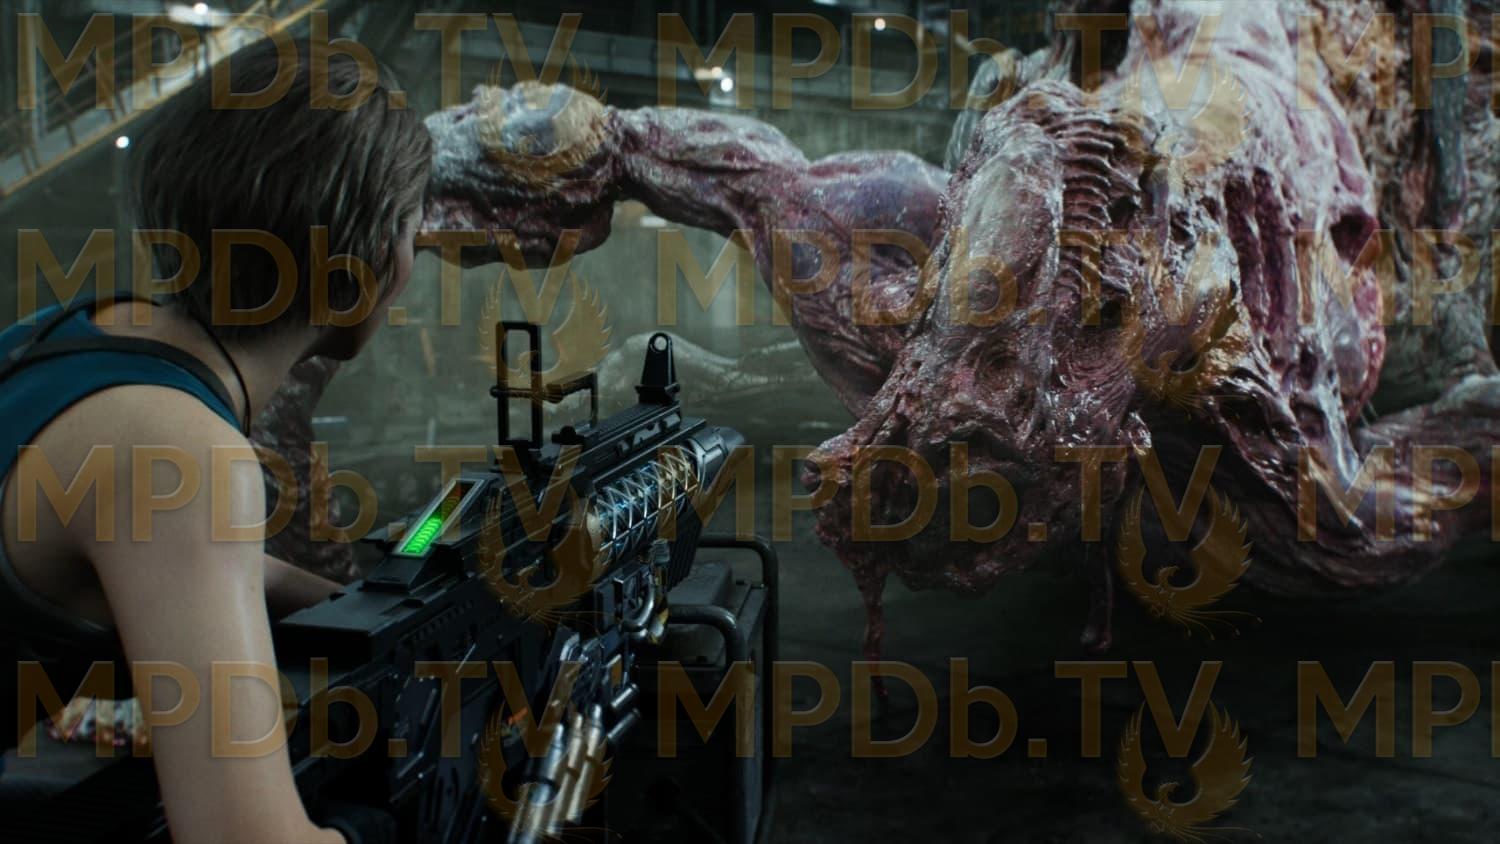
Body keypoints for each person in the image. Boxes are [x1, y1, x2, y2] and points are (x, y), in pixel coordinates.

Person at [0, 37, 430, 843]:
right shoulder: (184, 457)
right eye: (413, 232)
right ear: (373, 263)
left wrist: (362, 608)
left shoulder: (72, 333)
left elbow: (160, 548)